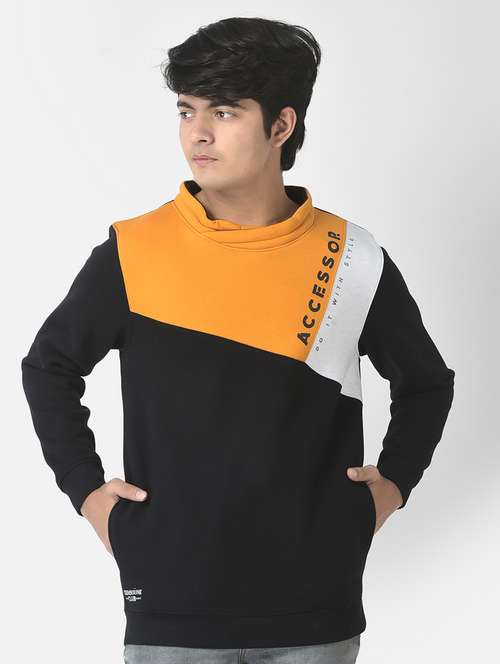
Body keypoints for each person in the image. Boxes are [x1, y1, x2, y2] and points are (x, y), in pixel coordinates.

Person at [20, 16, 455, 664]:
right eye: (186, 110)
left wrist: (390, 488)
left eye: (223, 111)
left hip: (315, 611)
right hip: (171, 610)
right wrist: (87, 493)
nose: (197, 132)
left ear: (281, 126)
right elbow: (49, 365)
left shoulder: (352, 259)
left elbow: (426, 384)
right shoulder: (134, 251)